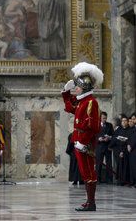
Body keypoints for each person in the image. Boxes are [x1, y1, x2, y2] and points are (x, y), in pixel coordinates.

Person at [61, 62, 103, 211]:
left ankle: (91, 203)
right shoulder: (83, 102)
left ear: (84, 87)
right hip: (79, 141)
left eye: (77, 87)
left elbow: (93, 126)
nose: (75, 89)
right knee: (85, 173)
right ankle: (89, 201)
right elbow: (69, 107)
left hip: (85, 144)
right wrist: (65, 93)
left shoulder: (91, 102)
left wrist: (84, 143)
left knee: (89, 172)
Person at [110, 115, 130, 186]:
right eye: (122, 121)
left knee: (126, 166)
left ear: (127, 122)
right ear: (121, 122)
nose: (124, 122)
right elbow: (115, 139)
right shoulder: (119, 130)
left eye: (125, 121)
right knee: (119, 166)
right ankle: (120, 180)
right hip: (118, 150)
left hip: (126, 151)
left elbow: (129, 141)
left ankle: (126, 181)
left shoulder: (129, 130)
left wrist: (123, 150)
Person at [95, 111, 114, 183]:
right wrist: (98, 139)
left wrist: (109, 138)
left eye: (105, 118)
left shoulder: (110, 125)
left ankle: (109, 179)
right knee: (99, 163)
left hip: (107, 146)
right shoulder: (96, 125)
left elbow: (113, 135)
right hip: (99, 147)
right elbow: (94, 136)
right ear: (100, 118)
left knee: (109, 163)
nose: (105, 120)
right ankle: (97, 179)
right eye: (103, 118)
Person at [127, 114, 136, 187]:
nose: (132, 121)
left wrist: (131, 146)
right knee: (132, 166)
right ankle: (132, 182)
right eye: (132, 119)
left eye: (134, 119)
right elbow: (130, 138)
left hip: (134, 149)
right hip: (132, 150)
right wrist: (128, 145)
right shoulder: (132, 128)